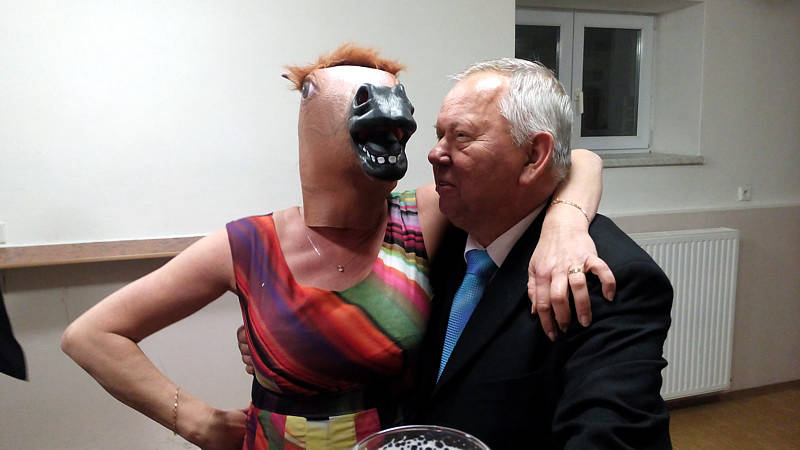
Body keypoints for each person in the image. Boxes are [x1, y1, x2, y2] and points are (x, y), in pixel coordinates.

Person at [61, 45, 612, 450]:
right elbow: (91, 335)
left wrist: (565, 222)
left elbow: (576, 159)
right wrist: (196, 421)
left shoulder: (421, 216)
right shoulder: (249, 245)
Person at [405, 58, 673, 449]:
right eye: (439, 135)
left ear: (533, 156)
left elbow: (610, 434)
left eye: (460, 136)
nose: (434, 153)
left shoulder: (602, 278)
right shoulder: (440, 235)